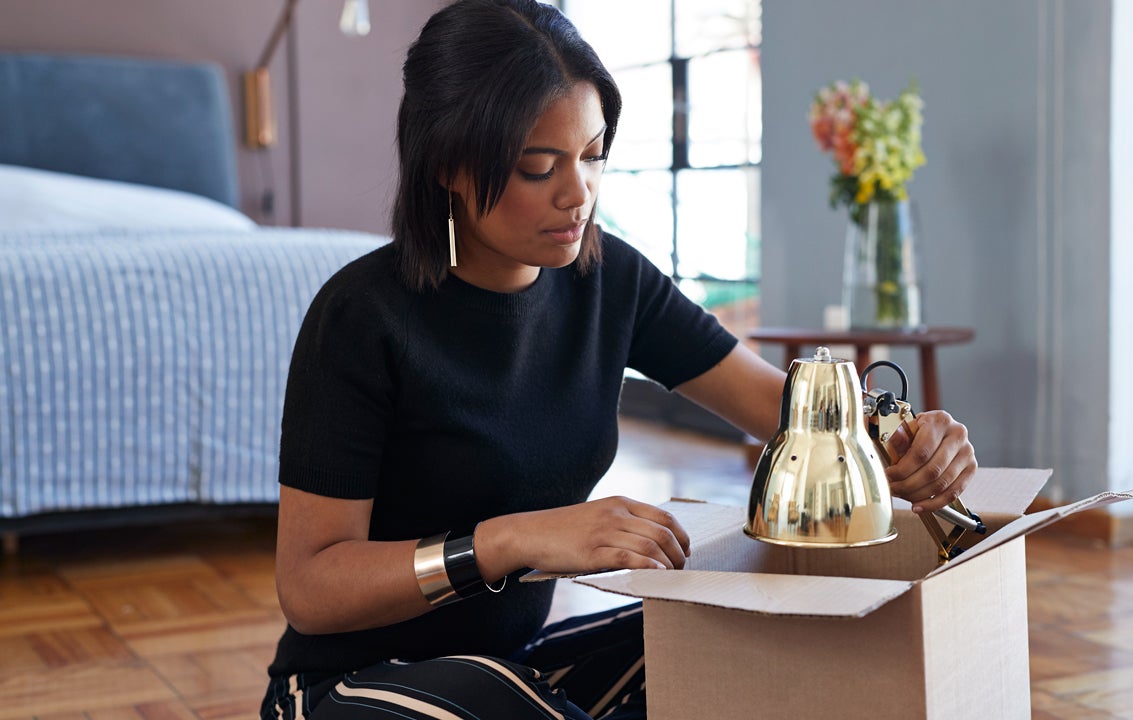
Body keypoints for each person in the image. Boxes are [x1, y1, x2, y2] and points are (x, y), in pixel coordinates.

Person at [259, 1, 978, 718]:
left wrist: (900, 441)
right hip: (348, 682)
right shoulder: (361, 316)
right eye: (540, 167)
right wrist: (509, 540)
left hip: (507, 670)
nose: (579, 195)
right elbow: (312, 591)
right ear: (448, 163)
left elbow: (785, 411)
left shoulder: (610, 281)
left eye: (594, 155)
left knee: (761, 647)